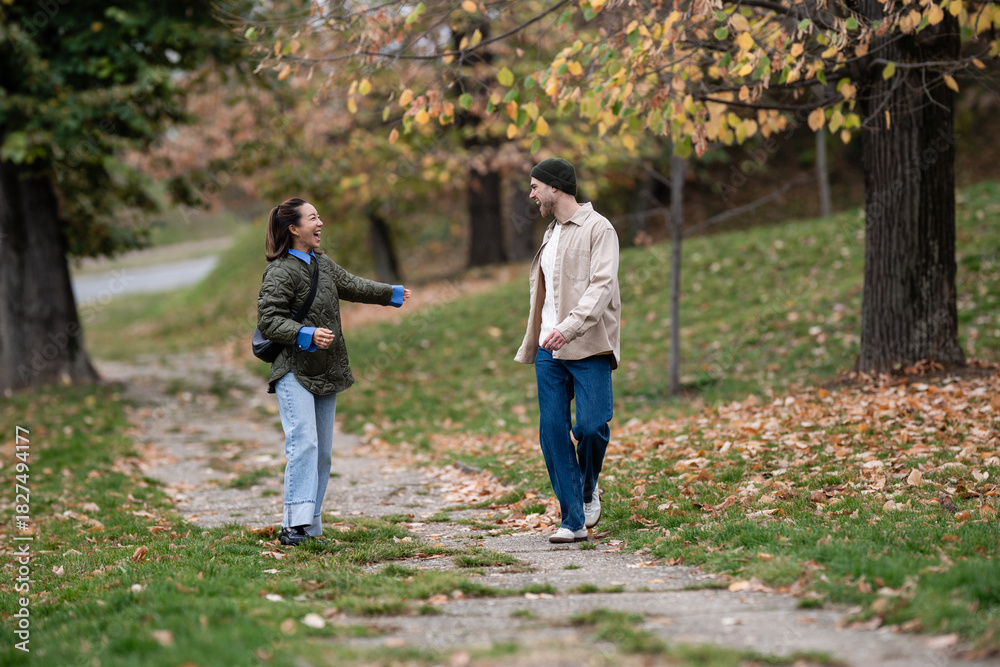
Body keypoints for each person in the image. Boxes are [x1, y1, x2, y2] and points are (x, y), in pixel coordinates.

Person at [257, 197, 411, 546]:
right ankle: (292, 526)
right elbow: (269, 320)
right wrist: (306, 334)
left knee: (322, 452)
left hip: (325, 369)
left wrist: (391, 294)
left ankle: (309, 526)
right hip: (293, 370)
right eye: (313, 218)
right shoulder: (280, 271)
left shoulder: (321, 263)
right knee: (304, 445)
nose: (320, 223)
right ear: (293, 228)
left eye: (319, 216)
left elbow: (352, 285)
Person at [515, 158, 621, 544]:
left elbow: (602, 285)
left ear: (555, 187)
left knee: (592, 427)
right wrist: (547, 333)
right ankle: (572, 519)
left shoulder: (599, 228)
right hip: (549, 348)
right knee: (552, 432)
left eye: (535, 187)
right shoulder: (550, 233)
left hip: (589, 344)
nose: (531, 195)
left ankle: (588, 487)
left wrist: (569, 327)